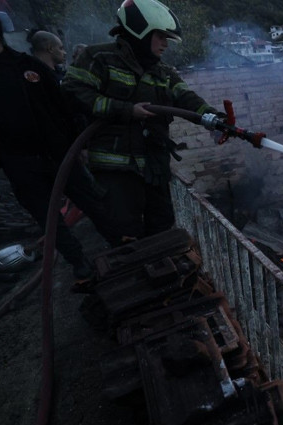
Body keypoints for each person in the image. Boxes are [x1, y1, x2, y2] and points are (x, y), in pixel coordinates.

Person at [63, 0, 219, 243]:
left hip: (153, 163)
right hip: (117, 169)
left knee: (162, 227)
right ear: (139, 30)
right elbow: (73, 92)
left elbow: (185, 97)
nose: (166, 44)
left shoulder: (162, 71)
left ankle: (164, 274)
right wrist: (126, 110)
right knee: (125, 233)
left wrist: (213, 117)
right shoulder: (99, 58)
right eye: (161, 36)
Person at [0, 12, 118, 283]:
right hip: (19, 163)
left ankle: (122, 244)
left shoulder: (27, 66)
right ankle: (79, 263)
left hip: (59, 154)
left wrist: (77, 143)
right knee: (48, 218)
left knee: (94, 202)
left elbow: (62, 107)